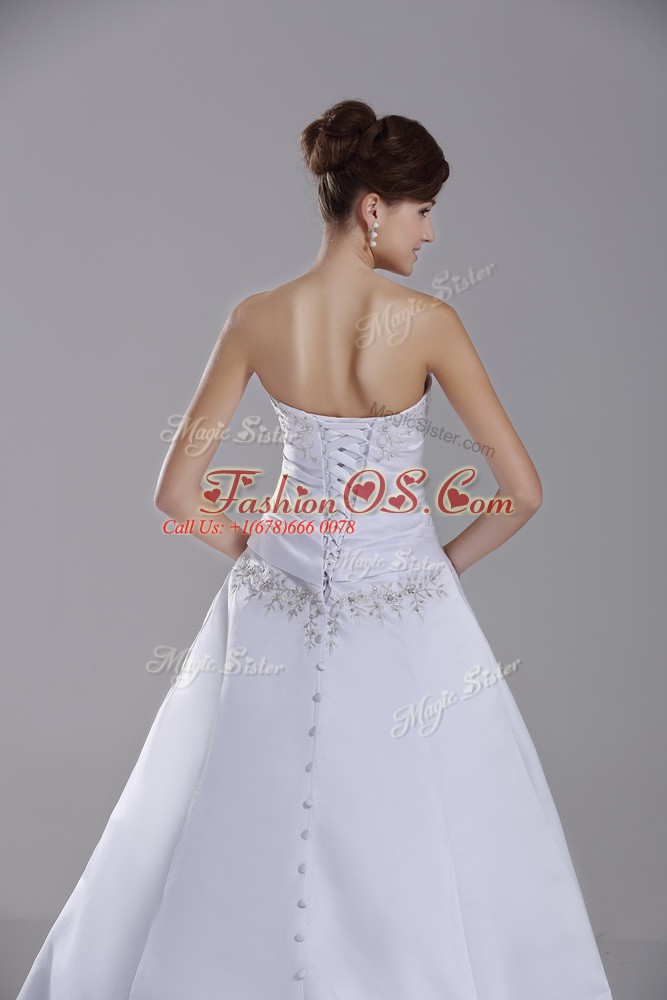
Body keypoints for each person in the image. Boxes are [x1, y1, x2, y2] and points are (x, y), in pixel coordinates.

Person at [17, 98, 614, 999]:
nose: (431, 232)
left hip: (274, 607)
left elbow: (177, 495)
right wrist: (434, 570)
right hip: (407, 611)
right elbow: (521, 493)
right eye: (422, 211)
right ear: (373, 207)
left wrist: (269, 556)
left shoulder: (257, 318)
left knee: (228, 813)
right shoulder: (428, 322)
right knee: (424, 821)